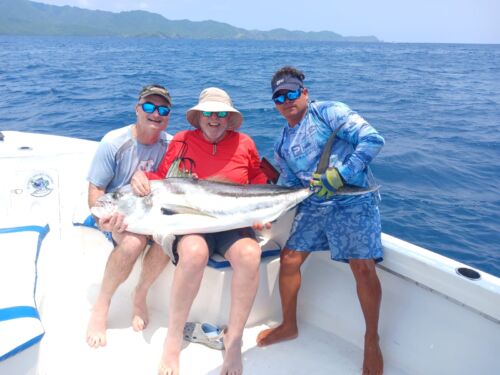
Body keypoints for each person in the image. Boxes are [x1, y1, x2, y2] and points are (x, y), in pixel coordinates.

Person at [256, 66, 385, 375]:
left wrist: (342, 174)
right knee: (289, 260)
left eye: (291, 93)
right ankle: (288, 324)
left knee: (363, 268)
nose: (286, 101)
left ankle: (371, 339)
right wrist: (264, 211)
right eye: (279, 97)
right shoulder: (282, 143)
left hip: (352, 199)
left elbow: (372, 139)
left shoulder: (329, 112)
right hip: (313, 203)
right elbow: (287, 185)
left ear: (305, 92)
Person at [131, 87, 267, 375]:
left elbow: (256, 176)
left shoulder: (245, 143)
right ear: (198, 117)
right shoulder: (182, 140)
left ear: (229, 119)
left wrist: (262, 209)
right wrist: (142, 178)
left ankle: (234, 340)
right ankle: (173, 337)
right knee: (194, 252)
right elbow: (165, 179)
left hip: (234, 221)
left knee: (250, 254)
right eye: (208, 113)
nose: (214, 118)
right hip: (191, 221)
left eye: (221, 114)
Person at [85, 84, 173, 348]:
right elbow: (96, 190)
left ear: (168, 114)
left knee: (168, 239)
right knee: (133, 243)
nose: (155, 113)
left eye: (162, 109)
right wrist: (103, 219)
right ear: (137, 109)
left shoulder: (171, 145)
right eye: (148, 106)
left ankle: (140, 294)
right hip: (120, 214)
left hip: (153, 214)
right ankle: (102, 304)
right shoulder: (114, 142)